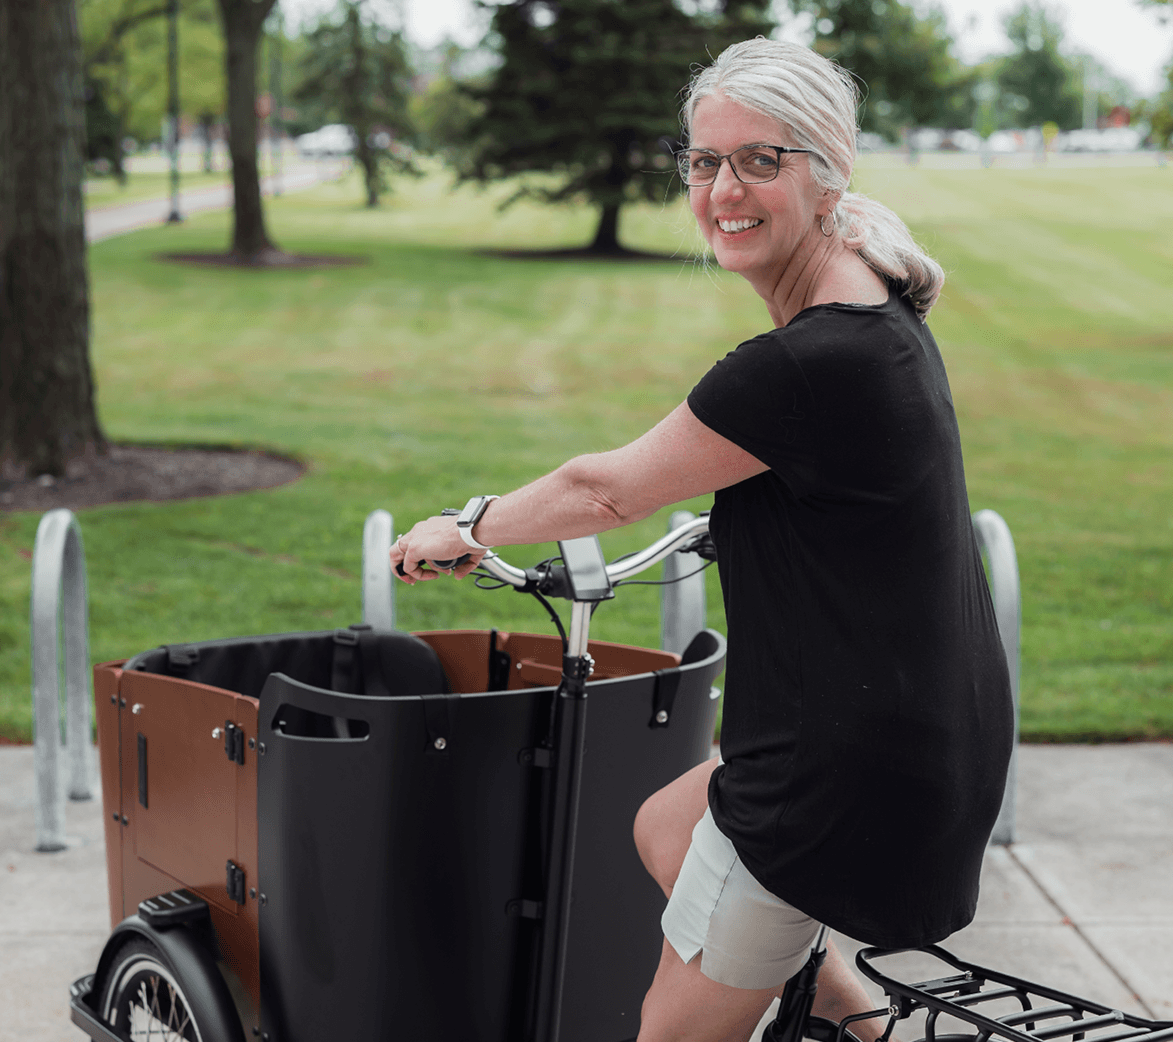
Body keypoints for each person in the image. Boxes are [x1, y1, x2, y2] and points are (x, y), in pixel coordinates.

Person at [390, 37, 1012, 1042]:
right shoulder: (880, 309)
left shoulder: (801, 365)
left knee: (669, 1034)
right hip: (925, 743)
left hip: (831, 777)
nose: (722, 188)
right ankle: (864, 1029)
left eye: (758, 160)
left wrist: (463, 529)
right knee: (666, 826)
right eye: (702, 161)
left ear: (826, 171)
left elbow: (602, 490)